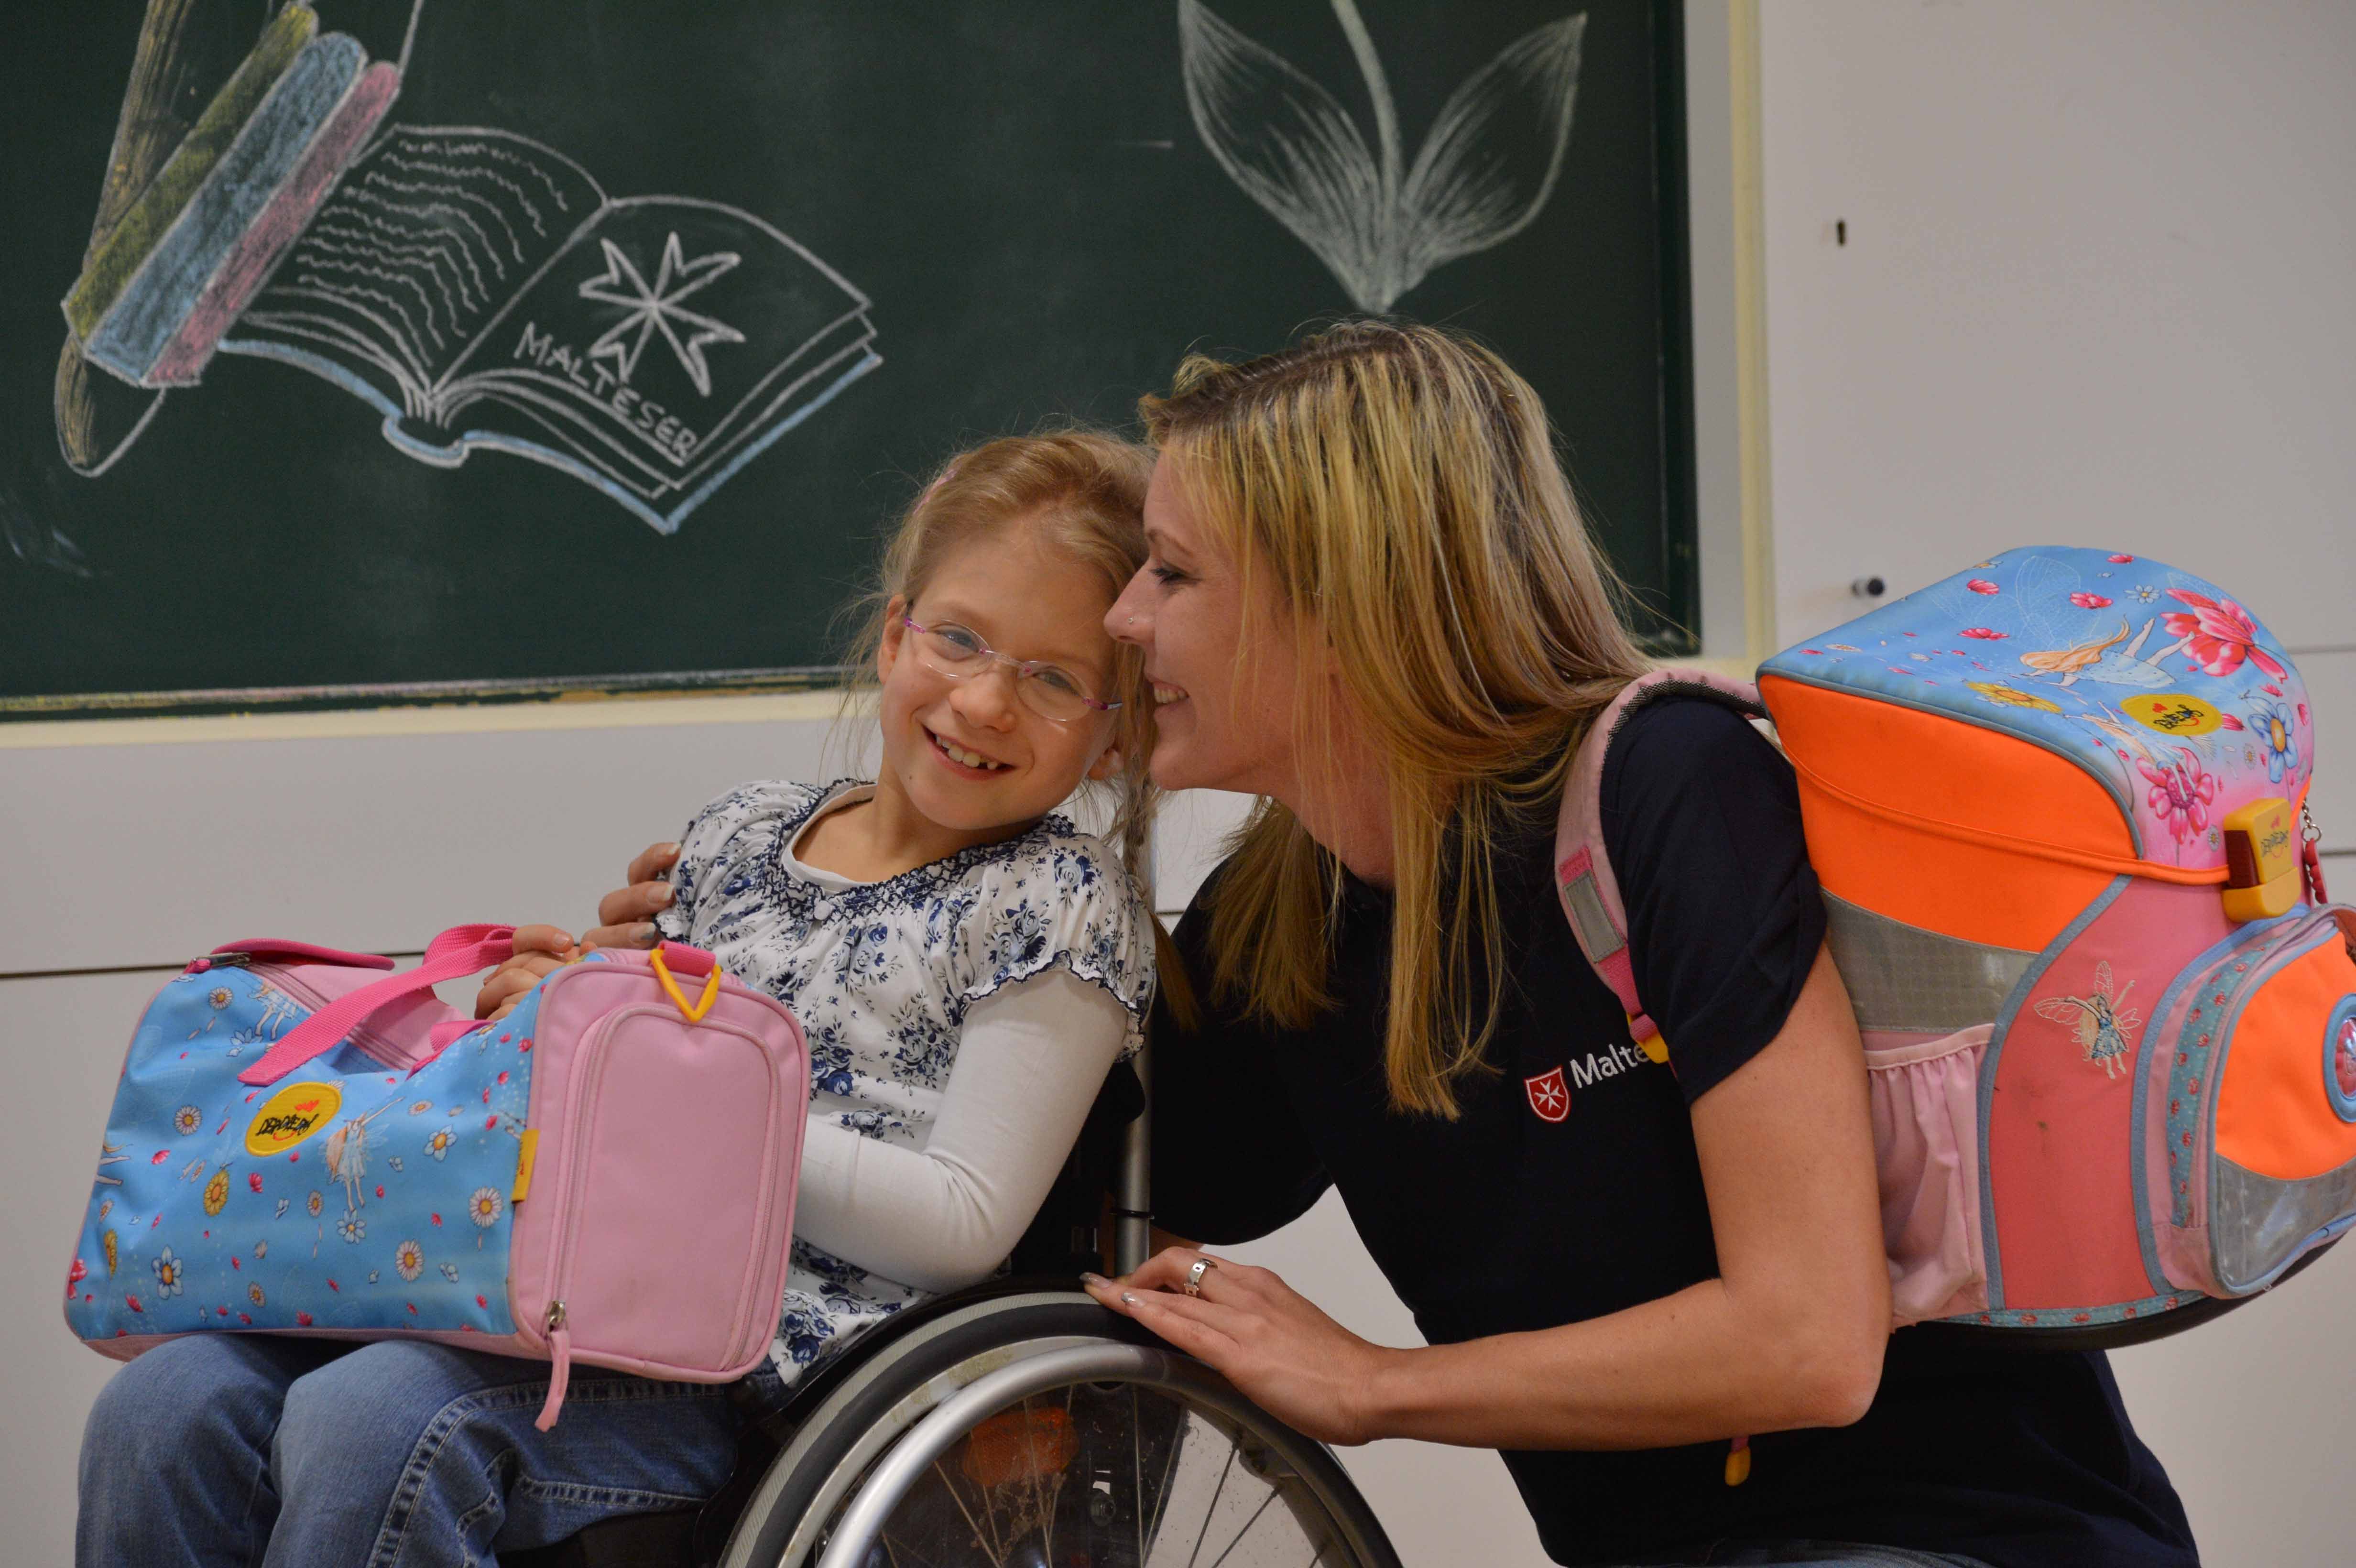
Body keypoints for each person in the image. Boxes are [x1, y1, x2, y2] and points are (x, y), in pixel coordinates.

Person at [1061, 322, 2194, 1568]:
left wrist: (1373, 1385)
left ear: (1339, 597)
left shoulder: (1663, 789)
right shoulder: (1279, 927)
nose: (1124, 616)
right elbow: (1102, 1209)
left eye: (1171, 574)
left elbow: (1810, 1344)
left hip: (1979, 1539)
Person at [76, 430, 1165, 1567]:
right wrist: (536, 1025)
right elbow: (603, 1108)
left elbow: (960, 1223)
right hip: (571, 1302)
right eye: (959, 638)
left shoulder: (1059, 896)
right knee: (170, 1402)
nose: (986, 699)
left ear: (1110, 735)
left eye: (1052, 679)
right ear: (895, 636)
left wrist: (651, 1098)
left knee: (380, 1418)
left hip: (782, 1384)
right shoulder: (742, 830)